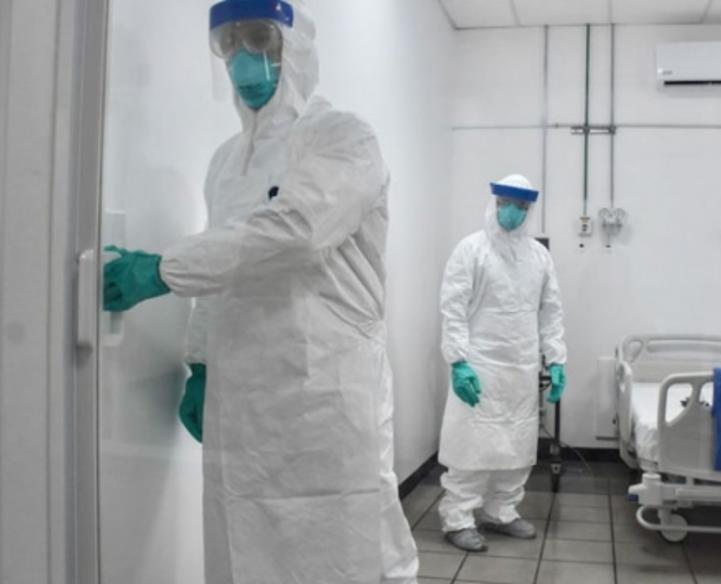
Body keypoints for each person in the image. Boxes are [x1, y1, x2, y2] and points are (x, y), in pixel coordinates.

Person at [101, 1, 419, 582]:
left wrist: (162, 270)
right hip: (242, 395)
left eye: (259, 40)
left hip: (324, 390)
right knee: (242, 534)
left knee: (333, 541)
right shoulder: (226, 161)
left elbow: (297, 231)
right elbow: (222, 260)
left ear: (296, 48)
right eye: (229, 46)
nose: (243, 60)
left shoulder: (341, 137)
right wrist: (200, 361)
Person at [436, 174, 567, 552]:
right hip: (479, 366)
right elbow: (453, 309)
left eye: (521, 206)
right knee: (471, 444)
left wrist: (556, 359)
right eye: (506, 203)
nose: (512, 212)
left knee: (517, 443)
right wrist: (458, 362)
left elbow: (551, 311)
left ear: (529, 210)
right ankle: (458, 518)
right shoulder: (471, 250)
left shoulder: (538, 257)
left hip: (521, 367)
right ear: (494, 204)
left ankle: (501, 511)